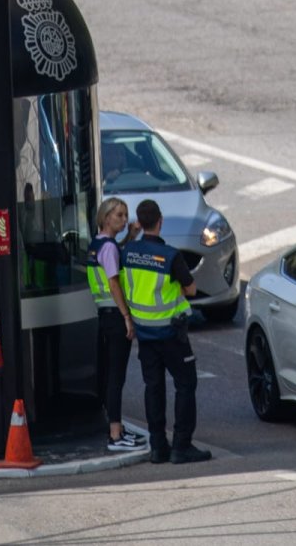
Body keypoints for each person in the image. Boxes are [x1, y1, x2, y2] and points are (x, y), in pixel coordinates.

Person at [121, 199, 211, 465]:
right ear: (160, 221)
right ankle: (181, 446)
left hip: (144, 333)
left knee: (154, 387)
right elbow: (191, 289)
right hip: (171, 334)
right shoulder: (170, 256)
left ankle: (158, 446)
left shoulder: (127, 252)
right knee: (185, 385)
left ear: (139, 223)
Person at [85, 197, 148, 452]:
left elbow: (113, 255)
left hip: (104, 315)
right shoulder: (109, 248)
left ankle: (118, 430)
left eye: (125, 215)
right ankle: (115, 434)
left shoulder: (98, 243)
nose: (124, 219)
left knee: (112, 375)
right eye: (119, 215)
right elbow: (114, 282)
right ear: (106, 217)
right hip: (114, 316)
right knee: (116, 377)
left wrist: (129, 238)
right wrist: (126, 317)